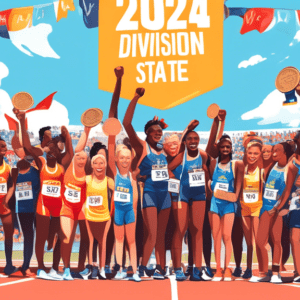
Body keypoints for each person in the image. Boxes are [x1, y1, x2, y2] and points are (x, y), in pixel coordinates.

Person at [16, 110, 73, 280]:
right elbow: (27, 146)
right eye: (48, 144)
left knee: (55, 237)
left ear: (59, 148)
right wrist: (22, 120)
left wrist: (67, 136)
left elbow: (70, 151)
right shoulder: (41, 162)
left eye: (54, 144)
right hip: (43, 204)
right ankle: (41, 268)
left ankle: (55, 267)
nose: (49, 147)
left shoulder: (63, 163)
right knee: (41, 236)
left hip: (58, 205)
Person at [168, 130, 210, 281]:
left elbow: (207, 170)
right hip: (183, 195)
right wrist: (175, 181)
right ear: (185, 142)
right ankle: (178, 268)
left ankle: (197, 269)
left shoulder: (203, 155)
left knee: (198, 231)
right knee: (180, 229)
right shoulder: (181, 156)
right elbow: (168, 169)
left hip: (199, 195)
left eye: (196, 139)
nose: (193, 141)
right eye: (190, 138)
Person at [251, 142, 293, 283]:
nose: (273, 153)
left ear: (285, 153)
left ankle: (275, 273)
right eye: (273, 150)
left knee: (276, 240)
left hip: (277, 209)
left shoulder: (289, 169)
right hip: (265, 207)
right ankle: (265, 272)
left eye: (277, 151)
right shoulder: (272, 166)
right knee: (260, 241)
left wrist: (277, 207)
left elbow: (286, 192)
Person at [209, 135, 243, 281]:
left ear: (231, 149)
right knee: (216, 236)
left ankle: (227, 268)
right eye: (222, 147)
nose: (225, 149)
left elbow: (238, 188)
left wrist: (233, 197)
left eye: (227, 147)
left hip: (229, 203)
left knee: (227, 236)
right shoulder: (212, 164)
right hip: (215, 203)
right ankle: (218, 269)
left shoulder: (236, 164)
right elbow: (210, 183)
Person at [240, 137, 263, 279]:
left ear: (260, 155)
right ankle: (248, 268)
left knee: (258, 240)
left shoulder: (262, 171)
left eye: (256, 153)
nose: (252, 156)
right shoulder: (241, 169)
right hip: (244, 208)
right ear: (246, 153)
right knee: (248, 242)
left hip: (257, 208)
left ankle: (262, 269)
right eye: (250, 153)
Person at [0, 137, 17, 275]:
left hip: (4, 206)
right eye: (2, 146)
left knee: (9, 234)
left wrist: (7, 199)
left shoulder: (7, 167)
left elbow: (11, 186)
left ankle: (9, 264)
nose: (5, 148)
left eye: (5, 146)